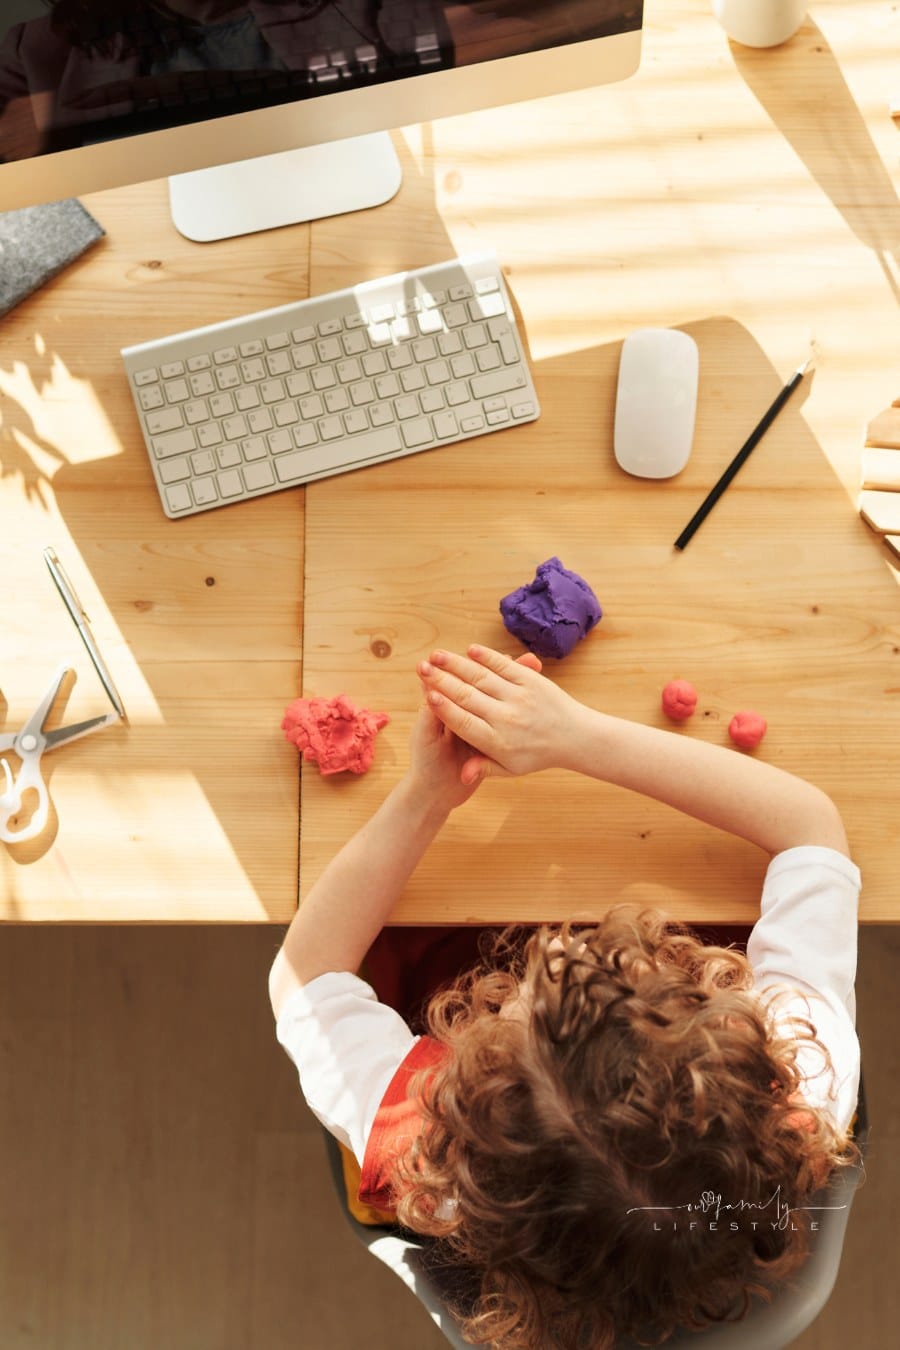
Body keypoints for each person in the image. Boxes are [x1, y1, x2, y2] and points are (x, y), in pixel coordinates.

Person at [269, 642, 860, 1350]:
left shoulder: (425, 1140)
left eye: (530, 1000)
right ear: (726, 1040)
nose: (561, 947)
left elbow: (306, 974)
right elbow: (811, 830)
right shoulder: (798, 1076)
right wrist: (579, 736)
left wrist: (428, 791)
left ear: (468, 1087)